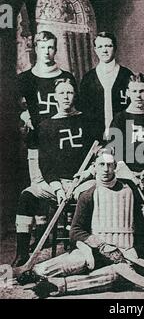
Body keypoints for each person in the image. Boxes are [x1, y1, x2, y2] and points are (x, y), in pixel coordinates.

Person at [30, 147, 138, 297]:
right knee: (75, 262)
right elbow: (75, 231)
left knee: (121, 275)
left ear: (115, 166)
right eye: (101, 164)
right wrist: (102, 246)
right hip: (95, 250)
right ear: (94, 167)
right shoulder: (88, 194)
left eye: (109, 164)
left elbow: (140, 226)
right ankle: (37, 273)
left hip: (125, 252)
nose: (106, 169)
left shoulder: (130, 190)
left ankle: (58, 286)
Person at [12, 78, 92, 267]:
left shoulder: (87, 120)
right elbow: (46, 165)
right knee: (27, 196)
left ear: (75, 95)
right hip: (55, 183)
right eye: (62, 93)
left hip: (83, 181)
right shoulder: (46, 126)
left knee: (90, 195)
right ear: (55, 97)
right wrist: (57, 188)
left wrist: (85, 175)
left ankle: (79, 251)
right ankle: (22, 253)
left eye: (69, 92)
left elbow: (96, 155)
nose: (66, 97)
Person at [17, 31, 76, 183]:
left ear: (55, 50)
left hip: (62, 141)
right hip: (36, 142)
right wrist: (24, 116)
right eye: (42, 47)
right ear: (36, 49)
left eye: (50, 47)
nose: (46, 51)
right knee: (39, 188)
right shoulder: (24, 79)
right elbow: (14, 109)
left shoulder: (67, 77)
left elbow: (76, 110)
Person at [79, 32, 133, 141]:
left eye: (108, 46)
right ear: (95, 50)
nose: (104, 50)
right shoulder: (88, 79)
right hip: (95, 135)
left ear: (115, 47)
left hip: (125, 133)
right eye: (100, 46)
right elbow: (84, 110)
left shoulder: (127, 75)